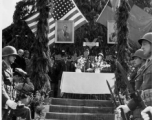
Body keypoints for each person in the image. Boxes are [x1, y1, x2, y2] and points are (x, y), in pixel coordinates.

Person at [116, 32, 152, 120]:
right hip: (145, 110)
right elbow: (141, 92)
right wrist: (128, 107)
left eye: (145, 44)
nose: (142, 47)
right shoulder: (147, 64)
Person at [2, 46, 32, 120]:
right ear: (7, 56)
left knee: (26, 111)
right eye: (13, 56)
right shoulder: (1, 68)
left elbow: (11, 87)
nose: (15, 58)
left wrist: (15, 100)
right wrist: (7, 100)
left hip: (10, 103)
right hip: (3, 103)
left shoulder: (9, 68)